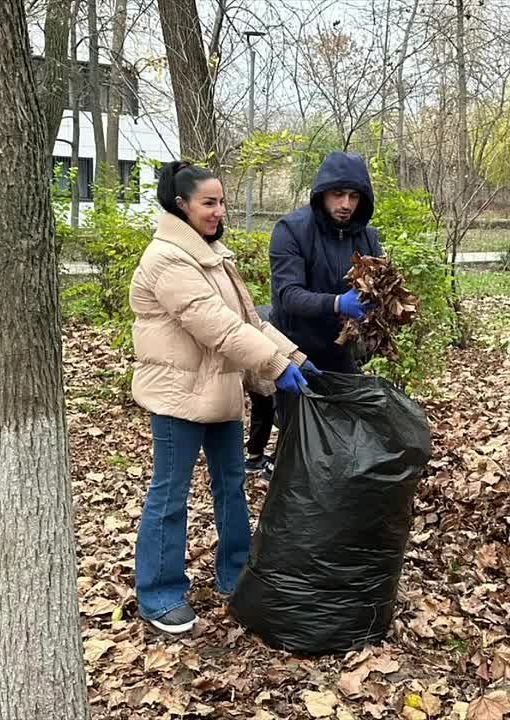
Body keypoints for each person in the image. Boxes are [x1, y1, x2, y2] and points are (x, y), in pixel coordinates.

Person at [129, 161, 319, 634]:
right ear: (182, 205)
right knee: (170, 494)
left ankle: (236, 574)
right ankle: (159, 595)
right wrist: (275, 366)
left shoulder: (212, 256)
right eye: (208, 203)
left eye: (222, 202)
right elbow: (216, 327)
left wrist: (295, 357)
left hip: (218, 392)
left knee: (231, 486)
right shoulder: (168, 259)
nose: (219, 211)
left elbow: (248, 322)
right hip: (177, 398)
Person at [269, 151, 383, 373]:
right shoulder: (291, 230)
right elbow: (289, 295)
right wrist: (337, 303)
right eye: (338, 194)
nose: (346, 204)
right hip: (293, 350)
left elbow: (377, 287)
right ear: (322, 193)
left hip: (341, 350)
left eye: (354, 196)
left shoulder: (367, 237)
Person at [244, 305, 276, 479]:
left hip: (254, 355)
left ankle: (254, 456)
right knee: (271, 405)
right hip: (263, 355)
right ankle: (272, 462)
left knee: (263, 405)